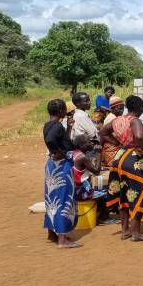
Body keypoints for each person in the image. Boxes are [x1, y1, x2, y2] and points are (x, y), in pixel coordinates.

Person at [99, 95, 143, 242]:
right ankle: (136, 233)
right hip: (134, 160)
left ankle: (125, 231)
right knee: (138, 194)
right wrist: (142, 145)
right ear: (140, 107)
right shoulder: (135, 120)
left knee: (123, 195)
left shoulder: (117, 120)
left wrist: (119, 143)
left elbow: (102, 132)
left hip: (119, 158)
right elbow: (139, 136)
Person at [43, 99, 80, 248]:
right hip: (61, 166)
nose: (66, 111)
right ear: (60, 111)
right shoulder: (57, 126)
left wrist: (69, 128)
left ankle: (52, 234)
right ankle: (62, 240)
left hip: (52, 166)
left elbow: (62, 142)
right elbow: (51, 140)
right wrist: (59, 153)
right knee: (63, 200)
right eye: (65, 109)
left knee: (52, 200)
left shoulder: (49, 124)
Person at [72, 134, 101, 200]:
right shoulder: (83, 157)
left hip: (74, 188)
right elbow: (97, 172)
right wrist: (99, 153)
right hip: (81, 190)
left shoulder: (74, 153)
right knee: (107, 189)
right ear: (81, 146)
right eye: (89, 142)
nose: (91, 143)